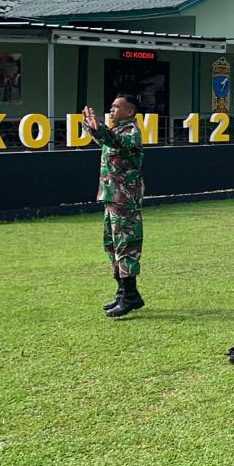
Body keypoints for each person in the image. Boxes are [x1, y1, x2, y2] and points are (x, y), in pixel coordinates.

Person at [83, 94, 146, 319]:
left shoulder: (131, 132)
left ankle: (130, 296)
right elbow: (107, 141)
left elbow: (116, 143)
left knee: (126, 245)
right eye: (111, 106)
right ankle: (123, 292)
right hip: (112, 197)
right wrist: (91, 128)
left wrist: (99, 129)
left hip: (125, 199)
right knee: (111, 245)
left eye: (116, 107)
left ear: (130, 112)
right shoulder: (117, 131)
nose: (111, 110)